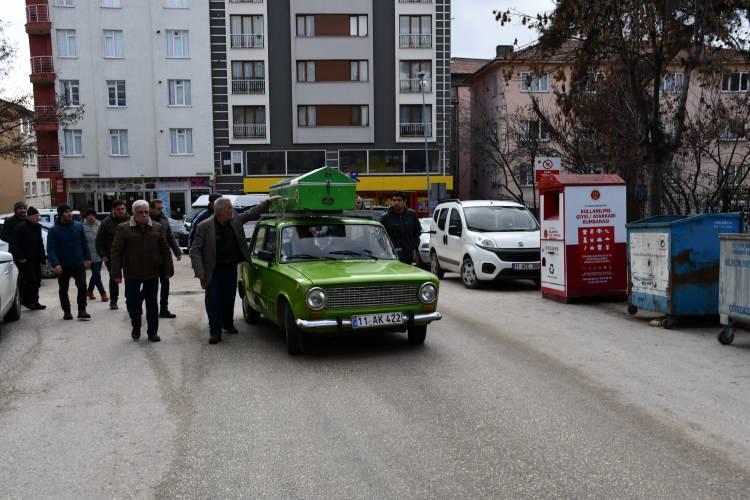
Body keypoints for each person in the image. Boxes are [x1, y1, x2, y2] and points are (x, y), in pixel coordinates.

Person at [190, 196, 275, 344]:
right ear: (220, 211)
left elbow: (251, 213)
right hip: (213, 270)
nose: (233, 210)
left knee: (229, 298)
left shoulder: (234, 220)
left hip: (229, 268)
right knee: (213, 301)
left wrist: (267, 202)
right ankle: (215, 332)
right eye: (229, 208)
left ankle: (227, 323)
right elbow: (194, 250)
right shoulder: (204, 226)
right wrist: (199, 270)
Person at [110, 200, 174, 342]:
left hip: (152, 272)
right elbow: (115, 251)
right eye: (140, 212)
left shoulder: (157, 227)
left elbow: (165, 249)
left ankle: (152, 333)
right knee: (133, 303)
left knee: (152, 304)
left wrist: (168, 269)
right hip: (131, 273)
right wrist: (116, 273)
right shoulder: (123, 228)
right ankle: (136, 326)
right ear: (133, 213)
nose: (144, 215)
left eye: (146, 212)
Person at [46, 204, 91, 320]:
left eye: (70, 211)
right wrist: (55, 264)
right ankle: (67, 311)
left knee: (82, 286)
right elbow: (51, 249)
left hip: (78, 263)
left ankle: (82, 310)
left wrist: (87, 258)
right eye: (66, 212)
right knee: (63, 289)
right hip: (63, 265)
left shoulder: (78, 226)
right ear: (61, 214)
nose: (69, 214)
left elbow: (84, 243)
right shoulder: (53, 230)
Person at [149, 199, 182, 319]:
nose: (161, 210)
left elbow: (170, 236)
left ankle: (164, 309)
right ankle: (143, 306)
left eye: (161, 208)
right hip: (150, 257)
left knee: (165, 283)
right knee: (151, 285)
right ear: (151, 209)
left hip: (164, 256)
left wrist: (177, 252)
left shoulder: (164, 219)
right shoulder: (145, 220)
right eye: (158, 208)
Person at [9, 206, 46, 310]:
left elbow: (40, 243)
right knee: (30, 281)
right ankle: (27, 301)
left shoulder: (37, 227)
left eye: (38, 216)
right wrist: (20, 257)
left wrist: (43, 257)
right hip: (25, 260)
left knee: (37, 281)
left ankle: (35, 301)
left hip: (35, 259)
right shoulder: (20, 228)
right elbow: (14, 244)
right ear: (29, 217)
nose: (37, 218)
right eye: (35, 216)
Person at [96, 200, 130, 310]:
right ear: (113, 210)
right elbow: (99, 241)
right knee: (114, 278)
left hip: (128, 256)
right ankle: (113, 301)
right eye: (118, 209)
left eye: (122, 209)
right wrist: (103, 255)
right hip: (112, 256)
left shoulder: (132, 220)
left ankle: (130, 299)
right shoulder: (106, 222)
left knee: (130, 278)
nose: (121, 211)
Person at [380, 191, 421, 264]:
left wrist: (414, 246)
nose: (396, 203)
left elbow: (417, 231)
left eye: (399, 200)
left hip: (408, 255)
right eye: (394, 200)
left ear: (404, 201)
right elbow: (380, 236)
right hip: (391, 255)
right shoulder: (385, 218)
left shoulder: (411, 215)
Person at [83, 208, 107, 302]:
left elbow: (103, 239)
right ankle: (103, 293)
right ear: (86, 216)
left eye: (92, 215)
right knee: (97, 274)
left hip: (99, 254)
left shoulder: (100, 224)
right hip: (89, 255)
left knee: (95, 274)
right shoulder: (82, 226)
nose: (90, 217)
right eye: (88, 215)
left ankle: (89, 291)